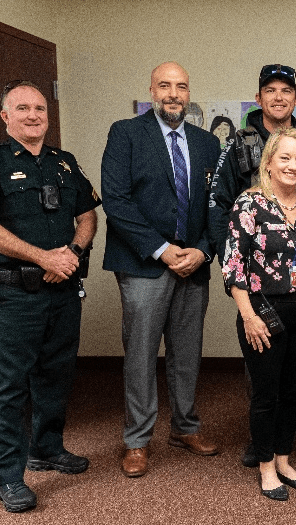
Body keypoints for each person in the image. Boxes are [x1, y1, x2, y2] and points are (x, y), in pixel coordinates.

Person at [0, 80, 100, 512]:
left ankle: (47, 448)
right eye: (22, 108)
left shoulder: (64, 162)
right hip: (15, 294)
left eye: (40, 108)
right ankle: (7, 475)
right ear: (6, 117)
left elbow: (88, 215)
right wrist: (44, 258)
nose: (34, 115)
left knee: (57, 373)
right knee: (12, 384)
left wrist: (73, 254)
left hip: (62, 288)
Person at [209, 64, 296, 466]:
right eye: (271, 90)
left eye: (287, 90)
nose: (279, 97)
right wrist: (234, 267)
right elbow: (220, 206)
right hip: (260, 287)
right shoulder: (238, 145)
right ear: (259, 96)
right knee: (263, 368)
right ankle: (262, 441)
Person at [101, 62, 222, 478]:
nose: (174, 93)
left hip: (193, 266)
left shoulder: (208, 144)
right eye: (165, 86)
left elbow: (216, 209)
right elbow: (115, 200)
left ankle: (185, 428)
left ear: (189, 94)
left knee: (187, 353)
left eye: (182, 87)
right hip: (143, 264)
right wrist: (161, 249)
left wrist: (203, 251)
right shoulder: (126, 134)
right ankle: (137, 440)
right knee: (140, 354)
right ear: (151, 90)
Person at [223, 128, 296, 501]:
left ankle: (283, 458)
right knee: (266, 394)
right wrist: (248, 315)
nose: (293, 165)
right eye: (285, 157)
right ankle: (266, 466)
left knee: (293, 390)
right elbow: (233, 266)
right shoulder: (249, 204)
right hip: (262, 310)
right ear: (268, 162)